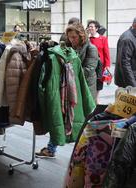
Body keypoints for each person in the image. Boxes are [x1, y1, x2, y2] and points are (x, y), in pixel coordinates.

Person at [36, 23, 98, 158]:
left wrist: (70, 66)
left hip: (84, 90)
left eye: (74, 37)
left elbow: (88, 70)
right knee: (62, 118)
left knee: (83, 123)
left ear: (81, 36)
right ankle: (52, 148)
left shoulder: (91, 48)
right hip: (68, 88)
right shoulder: (69, 47)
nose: (72, 40)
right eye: (70, 37)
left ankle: (86, 153)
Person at [87, 19, 111, 103]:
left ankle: (96, 99)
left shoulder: (103, 39)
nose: (90, 28)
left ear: (96, 28)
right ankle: (90, 98)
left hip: (100, 65)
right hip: (89, 64)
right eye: (89, 27)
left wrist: (107, 66)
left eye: (92, 27)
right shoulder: (86, 39)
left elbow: (106, 53)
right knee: (89, 81)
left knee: (99, 82)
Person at [114, 17, 136, 88]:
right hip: (127, 82)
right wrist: (133, 85)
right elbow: (125, 63)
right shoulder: (127, 38)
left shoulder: (133, 36)